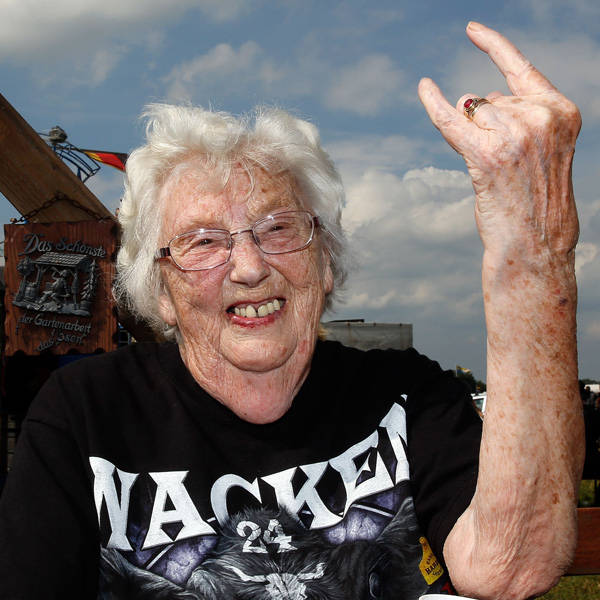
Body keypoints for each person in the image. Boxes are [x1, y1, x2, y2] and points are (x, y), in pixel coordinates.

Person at [0, 22, 584, 600]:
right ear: (160, 293)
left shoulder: (409, 397)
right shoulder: (86, 414)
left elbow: (512, 568)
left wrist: (535, 245)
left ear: (326, 263)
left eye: (279, 229)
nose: (249, 266)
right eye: (203, 242)